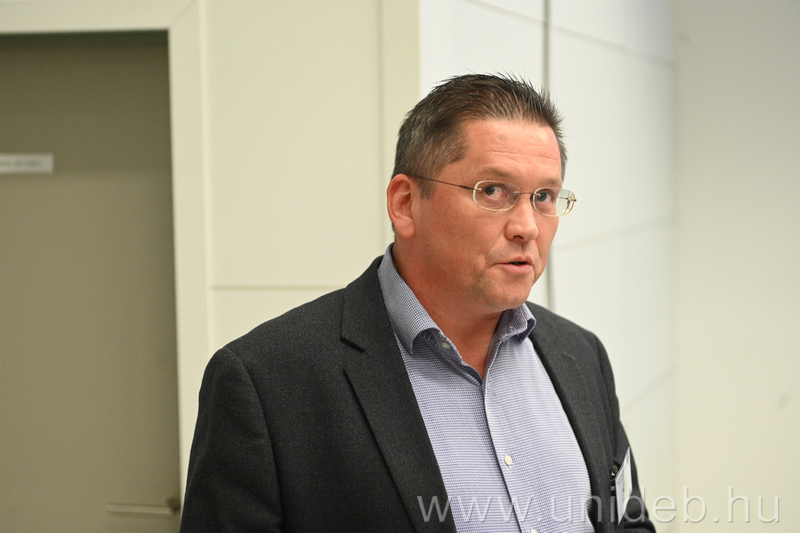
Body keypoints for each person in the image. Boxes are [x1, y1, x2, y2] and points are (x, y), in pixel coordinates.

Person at [180, 74, 655, 533]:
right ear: (406, 203)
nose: (527, 227)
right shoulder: (266, 382)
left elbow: (629, 522)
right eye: (493, 191)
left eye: (545, 196)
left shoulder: (581, 355)